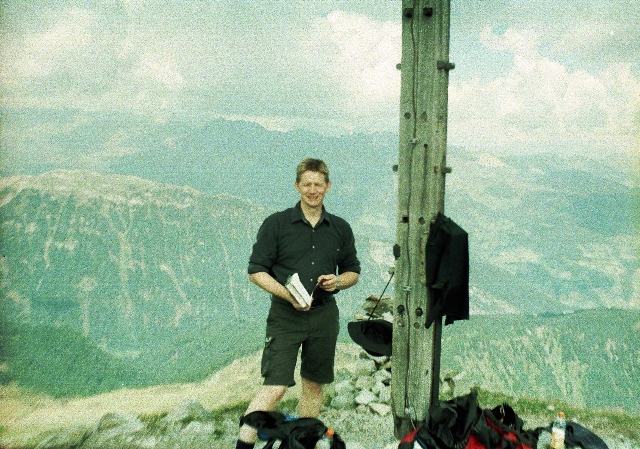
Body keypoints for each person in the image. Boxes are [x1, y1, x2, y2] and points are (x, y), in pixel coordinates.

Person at [236, 158, 360, 449]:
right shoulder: (277, 224)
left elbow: (353, 271)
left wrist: (338, 282)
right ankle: (243, 445)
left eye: (318, 184)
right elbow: (256, 271)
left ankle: (300, 445)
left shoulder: (340, 228)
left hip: (324, 316)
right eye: (307, 184)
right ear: (297, 186)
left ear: (327, 187)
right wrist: (287, 295)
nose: (313, 190)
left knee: (314, 385)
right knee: (275, 387)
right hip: (285, 317)